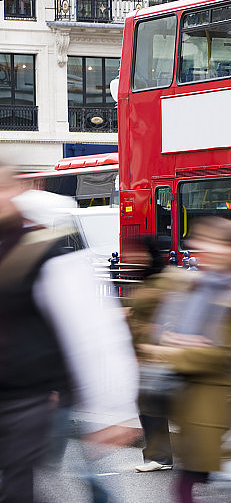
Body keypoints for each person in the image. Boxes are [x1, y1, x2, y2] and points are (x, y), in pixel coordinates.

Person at [0, 160, 140, 503]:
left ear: (18, 191)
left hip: (30, 399)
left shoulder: (45, 249)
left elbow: (91, 330)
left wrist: (114, 409)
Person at [134, 217, 231, 503]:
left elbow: (218, 355)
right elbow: (165, 330)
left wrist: (172, 351)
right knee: (192, 485)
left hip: (219, 412)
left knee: (207, 486)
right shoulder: (195, 286)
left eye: (217, 244)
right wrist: (174, 341)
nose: (205, 249)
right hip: (192, 408)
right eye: (202, 242)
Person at [125, 236, 173, 473]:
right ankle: (158, 455)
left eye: (137, 253)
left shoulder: (162, 281)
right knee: (150, 406)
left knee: (151, 406)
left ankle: (160, 457)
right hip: (146, 354)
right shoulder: (148, 280)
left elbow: (167, 314)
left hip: (156, 355)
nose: (131, 258)